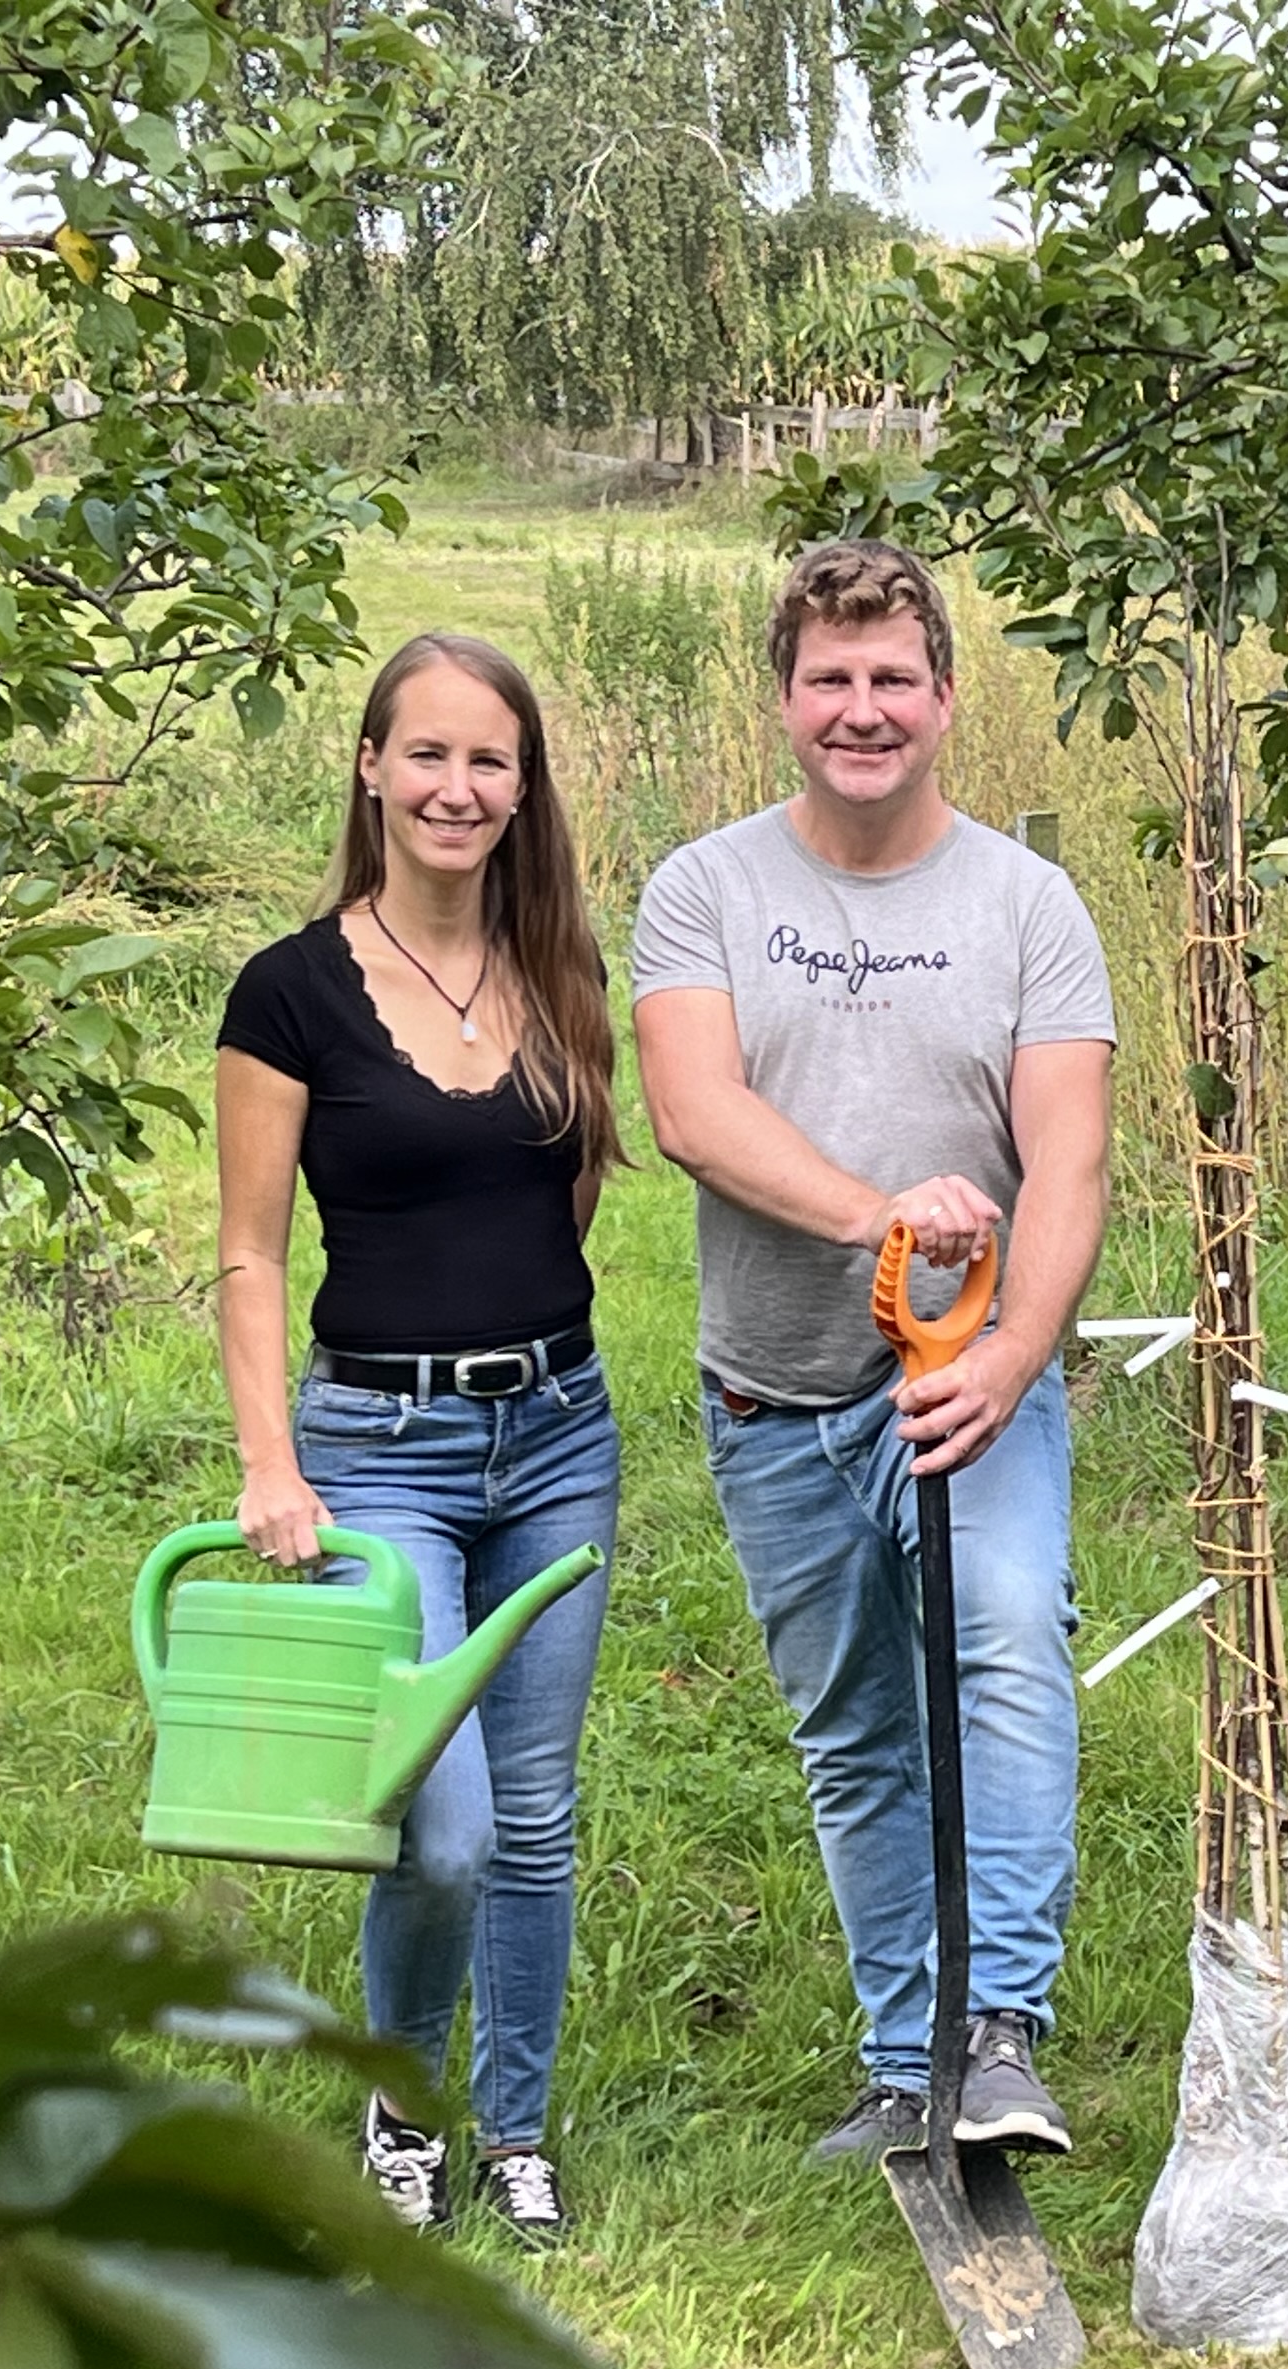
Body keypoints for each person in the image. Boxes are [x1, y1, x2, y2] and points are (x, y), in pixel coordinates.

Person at [627, 540, 1115, 2164]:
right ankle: (911, 2061)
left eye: (890, 675)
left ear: (943, 695)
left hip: (970, 1383)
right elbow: (694, 1112)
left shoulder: (1024, 904)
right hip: (772, 1391)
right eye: (828, 679)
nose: (860, 708)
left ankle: (999, 2034)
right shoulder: (705, 888)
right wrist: (883, 1220)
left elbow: (1072, 1161)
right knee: (854, 1733)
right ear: (785, 700)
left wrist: (1011, 1349)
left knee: (1006, 1651)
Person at [213, 630, 626, 2249]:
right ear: (371, 768)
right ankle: (407, 2098)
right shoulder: (291, 989)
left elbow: (567, 1188)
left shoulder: (559, 968)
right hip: (378, 1443)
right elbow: (250, 1248)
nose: (458, 786)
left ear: (522, 792)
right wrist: (270, 1458)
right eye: (429, 754)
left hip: (558, 1435)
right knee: (437, 1820)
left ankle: (513, 2127)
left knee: (532, 1808)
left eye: (490, 761)